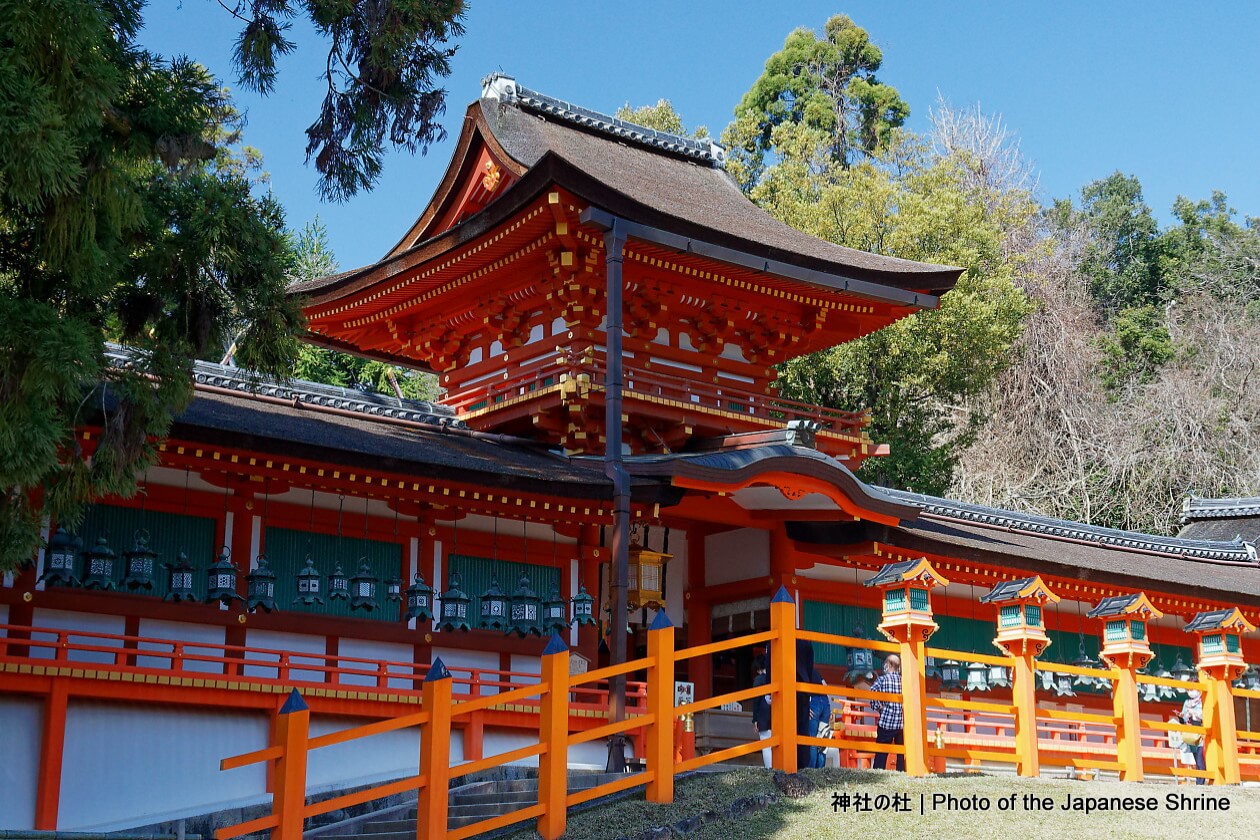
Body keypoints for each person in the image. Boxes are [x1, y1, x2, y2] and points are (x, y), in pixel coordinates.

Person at [869, 654, 905, 772]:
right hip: (900, 723)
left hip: (886, 721)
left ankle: (878, 771)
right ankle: (901, 772)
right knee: (901, 753)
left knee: (881, 752)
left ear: (888, 665)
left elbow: (872, 691)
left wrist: (878, 707)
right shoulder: (902, 681)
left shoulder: (882, 679)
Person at [1181, 689, 1206, 784]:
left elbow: (1205, 716)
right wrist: (1182, 715)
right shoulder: (1187, 702)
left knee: (1200, 758)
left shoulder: (1203, 701)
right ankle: (1198, 780)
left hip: (1201, 731)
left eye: (1192, 690)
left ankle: (1201, 782)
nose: (1190, 692)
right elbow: (1184, 718)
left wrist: (1194, 713)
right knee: (1196, 758)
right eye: (1188, 690)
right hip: (1191, 732)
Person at [751, 656, 773, 768]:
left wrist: (755, 719)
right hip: (777, 713)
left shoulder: (758, 680)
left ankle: (769, 769)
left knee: (766, 745)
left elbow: (756, 701)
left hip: (764, 714)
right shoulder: (775, 677)